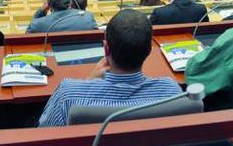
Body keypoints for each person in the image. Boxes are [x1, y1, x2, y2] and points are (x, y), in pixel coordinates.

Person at [38, 9, 181, 126]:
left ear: (106, 49)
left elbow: (43, 138)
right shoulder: (172, 91)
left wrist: (87, 83)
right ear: (149, 49)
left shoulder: (68, 95)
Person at [26, 0, 97, 33]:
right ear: (71, 1)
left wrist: (41, 11)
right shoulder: (88, 18)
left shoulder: (38, 25)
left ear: (49, 3)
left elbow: (28, 34)